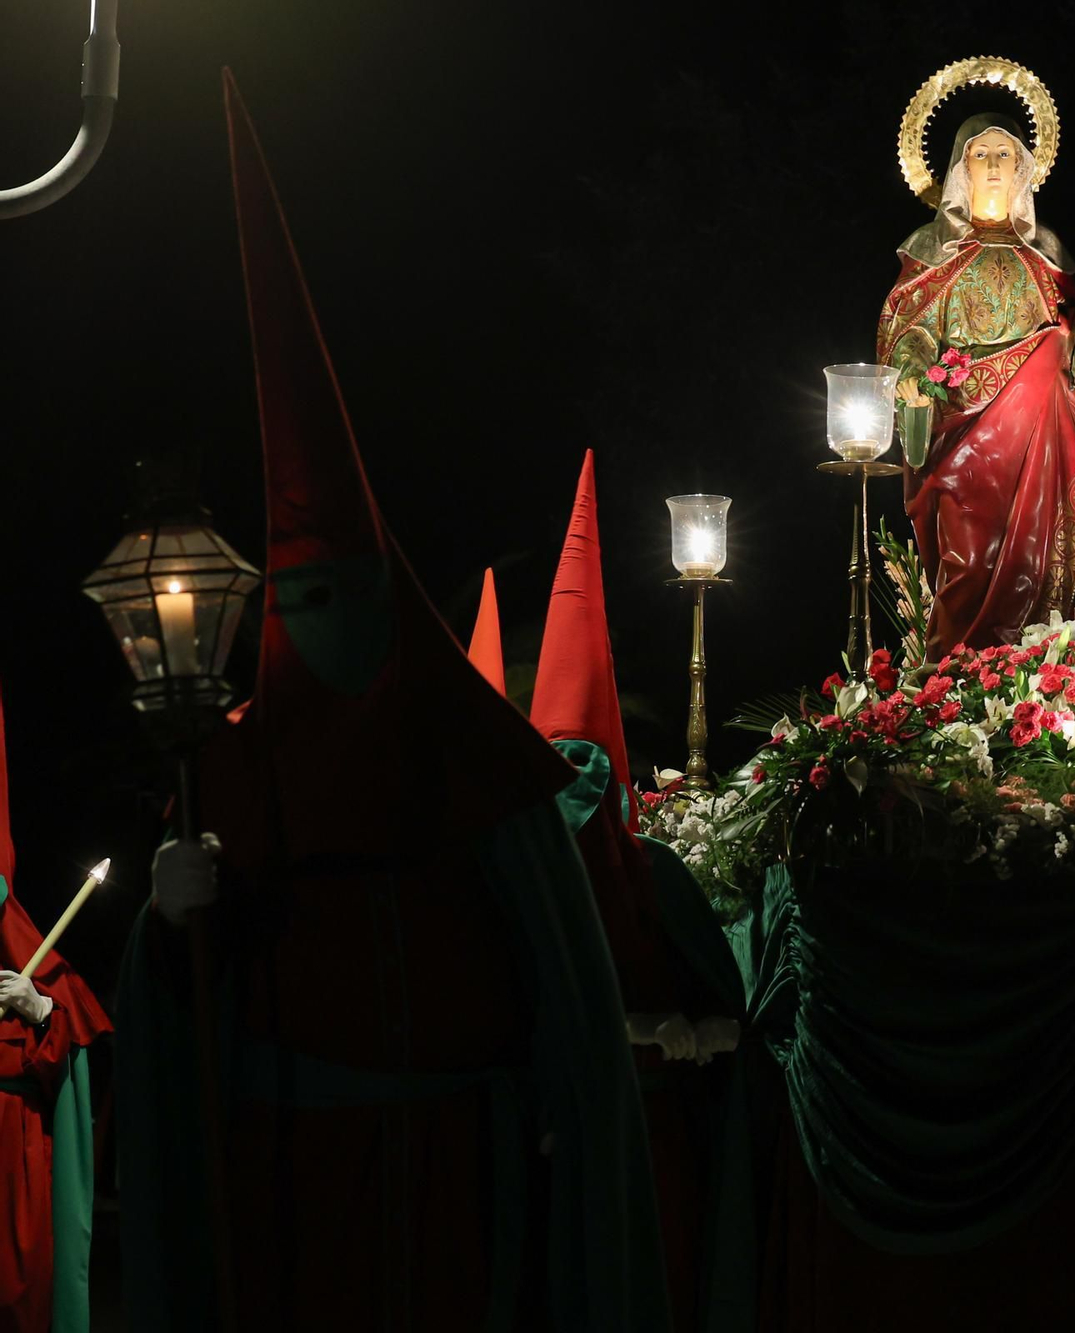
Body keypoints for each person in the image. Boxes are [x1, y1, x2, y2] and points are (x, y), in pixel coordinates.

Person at [115, 70, 669, 1330]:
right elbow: (180, 1013)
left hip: (460, 1197)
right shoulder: (236, 768)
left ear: (395, 596)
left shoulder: (476, 760)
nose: (324, 633)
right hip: (287, 1200)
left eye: (347, 598)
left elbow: (568, 1000)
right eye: (296, 607)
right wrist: (166, 925)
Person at [529, 450, 749, 1330]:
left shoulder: (642, 872)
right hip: (575, 1142)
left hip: (634, 1141)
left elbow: (724, 1006)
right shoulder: (613, 870)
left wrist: (687, 1037)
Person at [881, 112, 1075, 656]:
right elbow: (909, 332)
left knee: (1029, 556)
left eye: (1005, 154)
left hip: (1037, 432)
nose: (993, 166)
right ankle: (955, 678)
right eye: (981, 154)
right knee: (970, 556)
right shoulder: (931, 250)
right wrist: (917, 376)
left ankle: (1029, 670)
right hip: (962, 434)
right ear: (960, 169)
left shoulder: (1045, 256)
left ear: (1024, 170)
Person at [0, 683, 111, 1333]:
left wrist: (37, 1003)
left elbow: (71, 1031)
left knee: (24, 1301)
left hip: (16, 1162)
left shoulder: (26, 947)